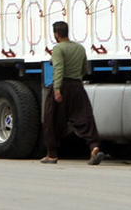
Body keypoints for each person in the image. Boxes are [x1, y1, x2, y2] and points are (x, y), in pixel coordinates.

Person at [41, 20, 106, 165]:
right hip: (77, 86)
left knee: (50, 119)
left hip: (62, 85)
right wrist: (77, 79)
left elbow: (58, 68)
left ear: (56, 34)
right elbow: (84, 68)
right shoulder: (80, 48)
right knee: (84, 118)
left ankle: (51, 154)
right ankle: (94, 147)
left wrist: (57, 89)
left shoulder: (58, 49)